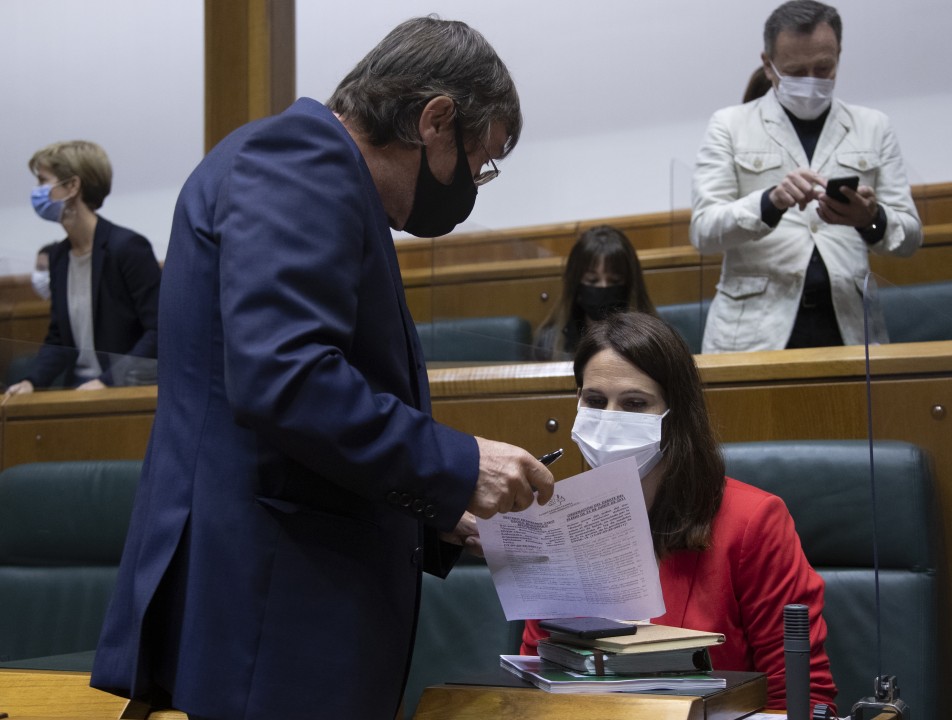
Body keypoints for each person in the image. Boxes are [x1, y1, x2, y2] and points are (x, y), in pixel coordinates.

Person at [90, 17, 555, 720]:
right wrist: (461, 464)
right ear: (435, 120)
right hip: (271, 620)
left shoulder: (315, 174)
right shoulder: (302, 157)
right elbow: (286, 378)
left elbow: (296, 430)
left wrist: (439, 514)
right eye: (480, 160)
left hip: (275, 614)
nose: (473, 186)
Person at [521, 311, 838, 713]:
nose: (610, 419)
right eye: (595, 401)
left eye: (634, 403)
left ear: (675, 414)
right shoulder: (556, 522)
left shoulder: (753, 522)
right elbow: (533, 683)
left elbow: (798, 699)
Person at [690, 0, 922, 353]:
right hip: (753, 332)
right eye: (796, 72)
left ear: (839, 55)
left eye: (824, 68)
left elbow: (910, 238)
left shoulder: (874, 126)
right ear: (768, 65)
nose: (811, 80)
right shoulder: (729, 125)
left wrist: (870, 220)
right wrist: (769, 203)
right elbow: (704, 232)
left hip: (849, 326)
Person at [7, 141, 161, 392]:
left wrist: (107, 382)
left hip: (125, 389)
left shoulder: (127, 248)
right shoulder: (59, 257)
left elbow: (158, 331)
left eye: (43, 181)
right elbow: (59, 338)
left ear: (72, 186)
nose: (36, 191)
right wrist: (31, 382)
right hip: (78, 390)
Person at [533, 225, 656, 360]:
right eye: (592, 280)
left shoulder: (652, 340)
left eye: (614, 281)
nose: (603, 288)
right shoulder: (549, 344)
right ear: (575, 284)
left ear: (630, 284)